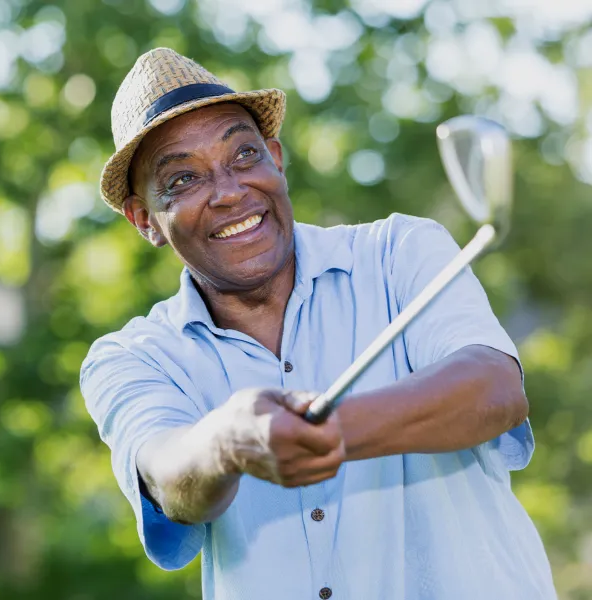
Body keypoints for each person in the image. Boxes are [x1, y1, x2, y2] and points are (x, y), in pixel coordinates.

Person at [80, 48, 557, 600]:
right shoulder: (131, 356)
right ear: (145, 220)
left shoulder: (399, 250)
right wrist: (231, 442)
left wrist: (328, 431)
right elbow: (165, 474)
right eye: (184, 178)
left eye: (243, 156)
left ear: (276, 159)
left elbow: (494, 388)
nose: (230, 191)